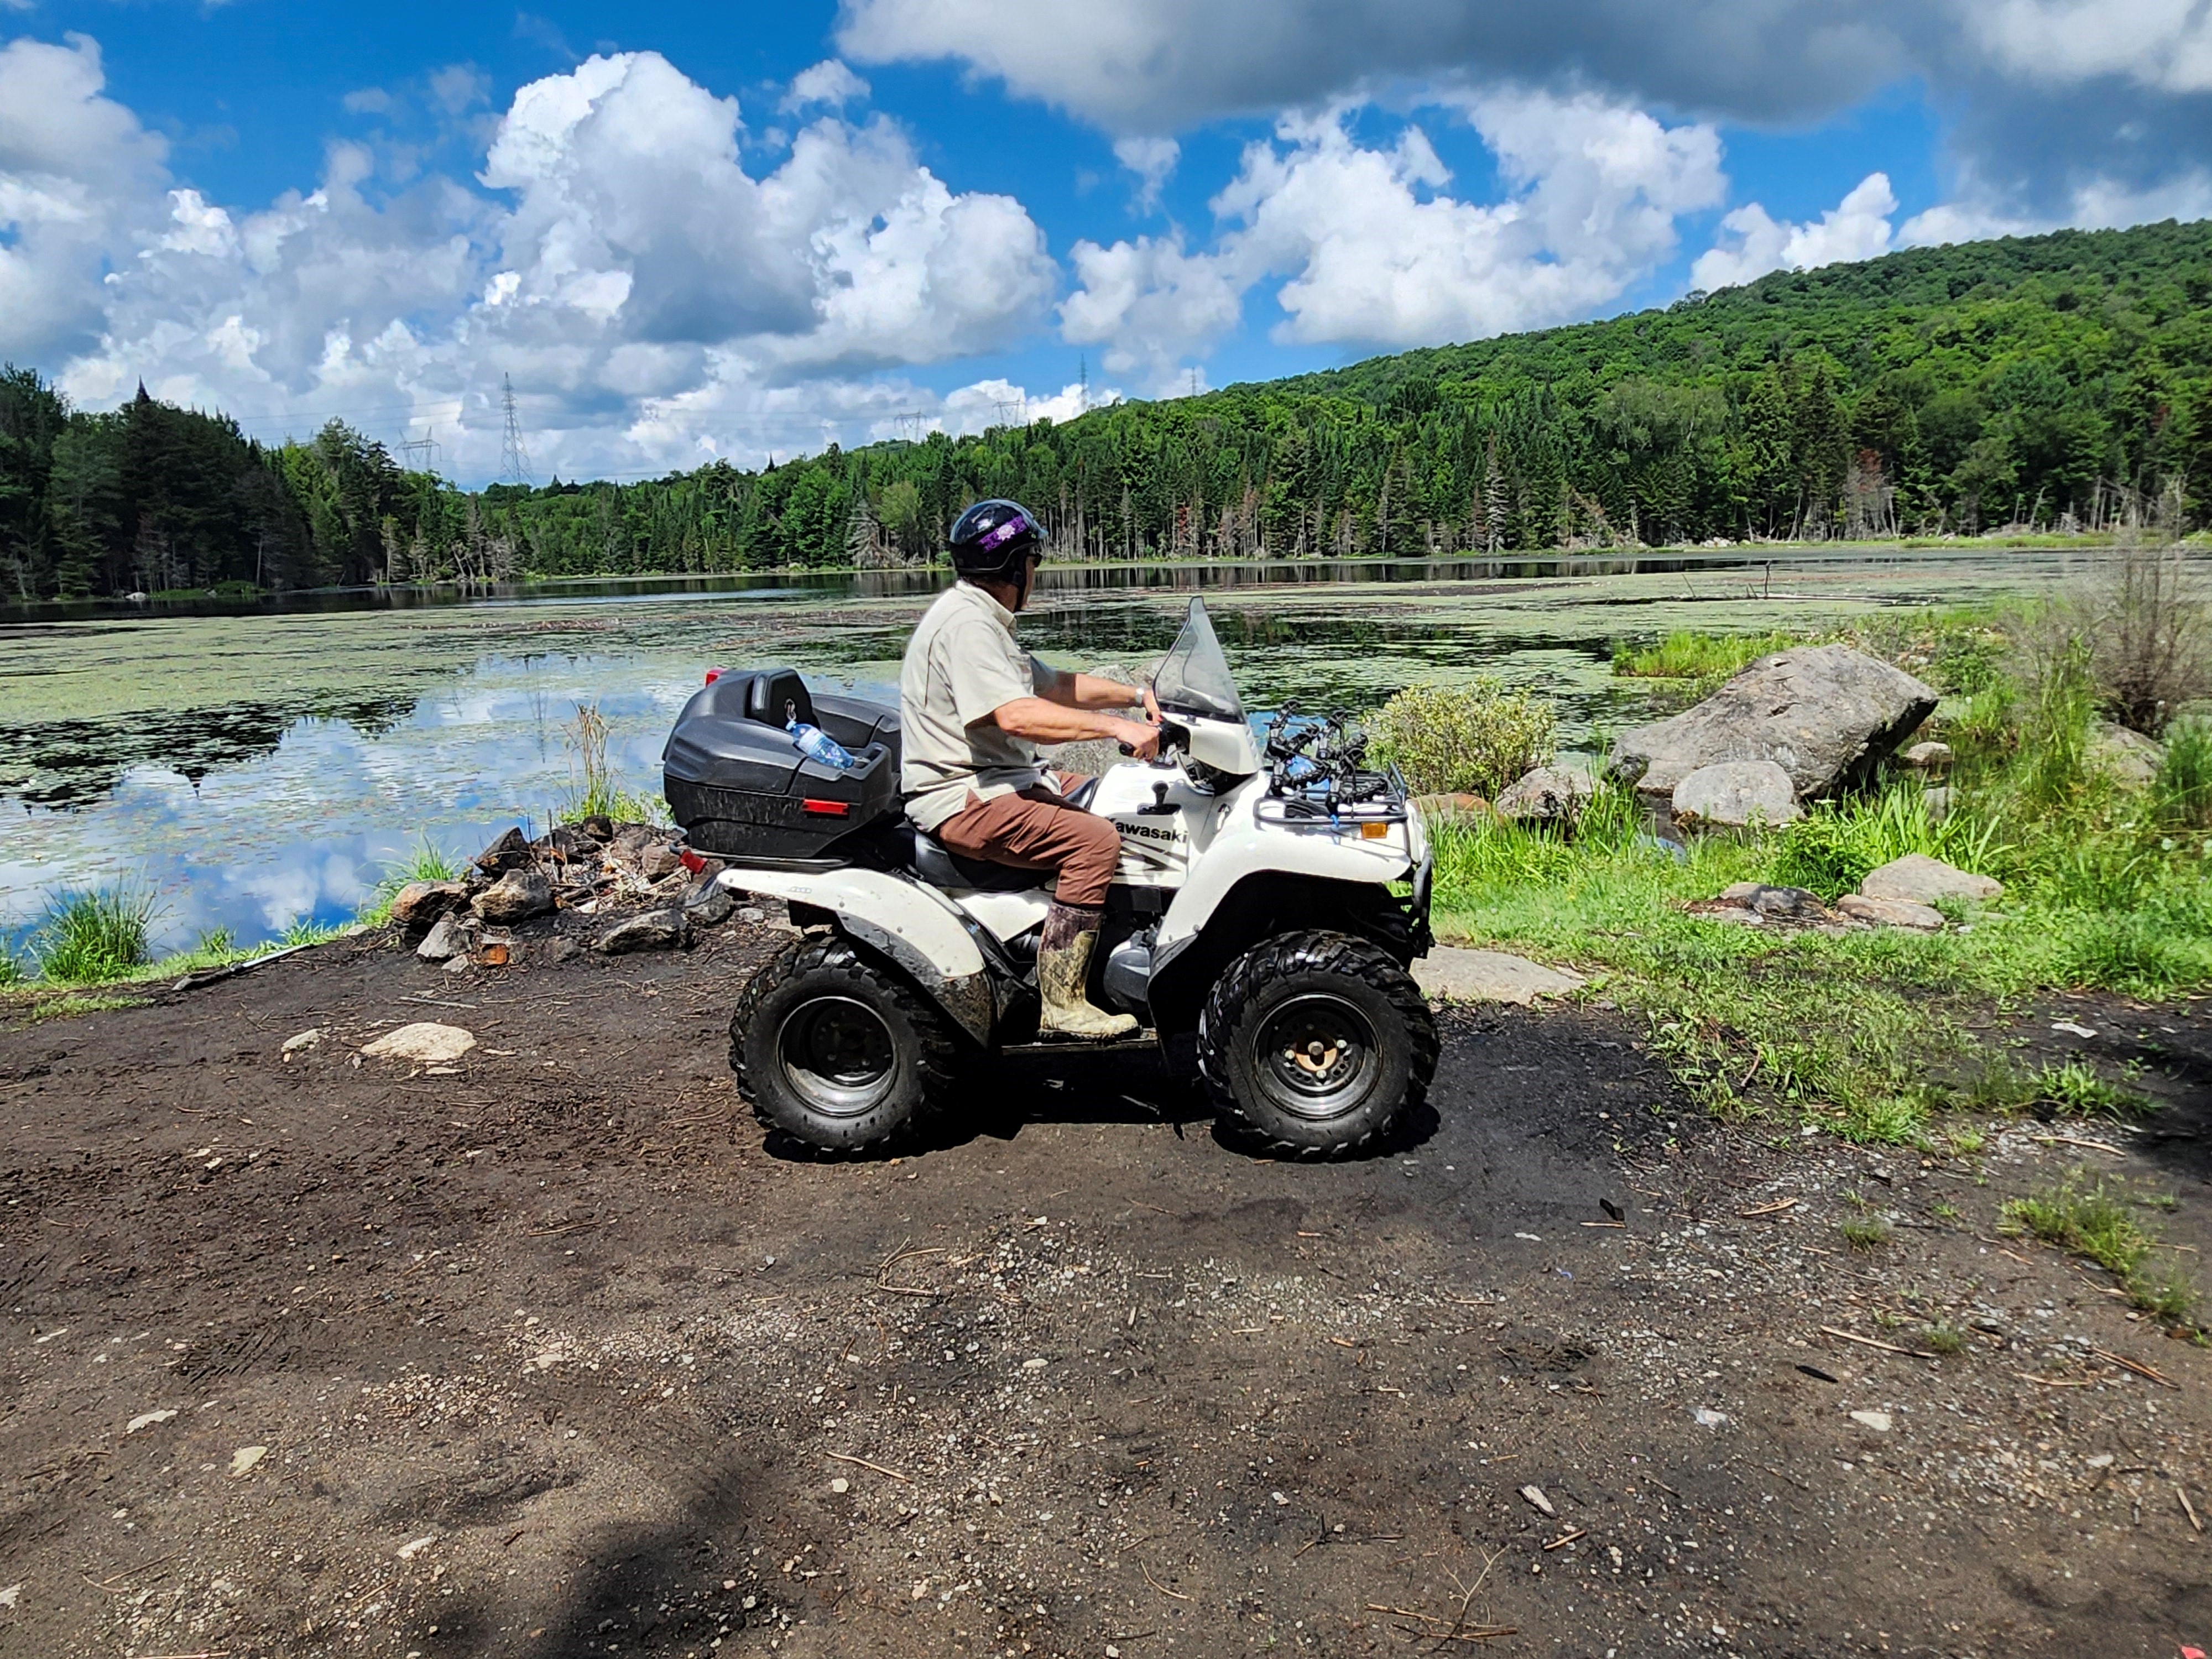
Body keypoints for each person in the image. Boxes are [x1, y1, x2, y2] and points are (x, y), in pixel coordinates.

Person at [899, 498, 1160, 1040]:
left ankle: (1122, 936)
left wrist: (1138, 696)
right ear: (1015, 565)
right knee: (1096, 841)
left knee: (1115, 794)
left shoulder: (983, 619)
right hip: (963, 796)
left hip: (1002, 780)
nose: (1036, 573)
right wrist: (1117, 729)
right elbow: (1017, 714)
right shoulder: (967, 626)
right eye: (1033, 562)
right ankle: (1062, 1004)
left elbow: (1057, 685)